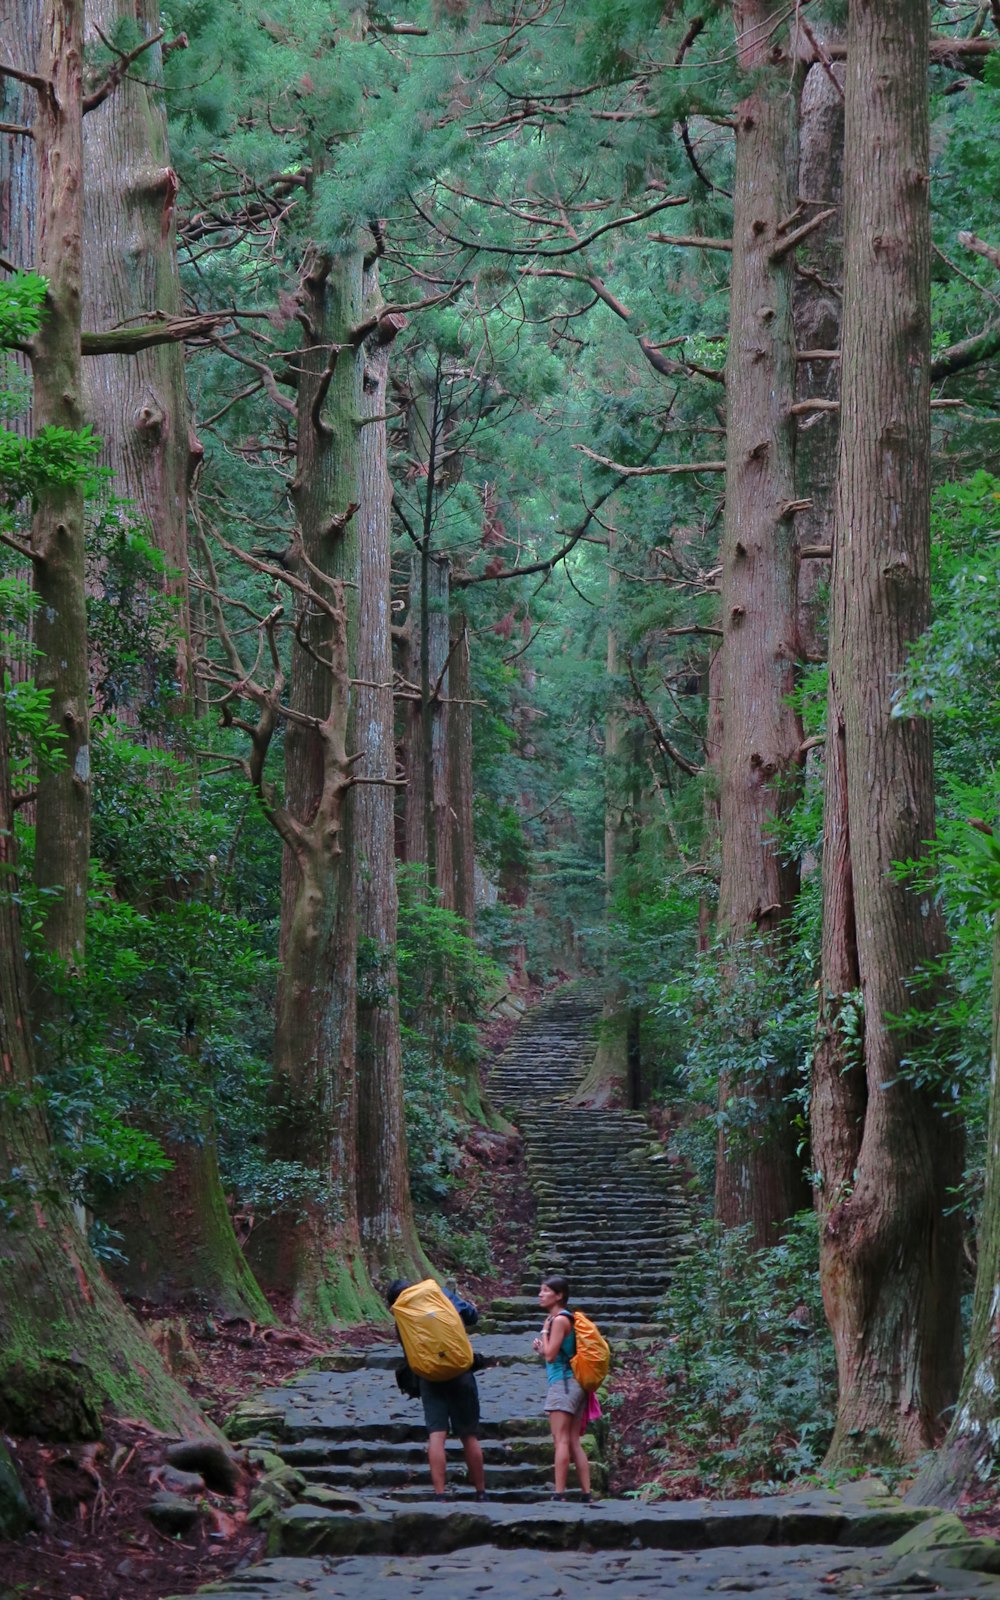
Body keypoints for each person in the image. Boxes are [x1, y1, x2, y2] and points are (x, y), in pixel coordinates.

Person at [385, 1278, 487, 1502]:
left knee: (436, 1435)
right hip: (460, 1371)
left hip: (428, 1376)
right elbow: (471, 1316)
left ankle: (440, 1494)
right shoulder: (439, 1294)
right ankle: (480, 1492)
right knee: (469, 1435)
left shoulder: (401, 1312)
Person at [532, 1274, 592, 1502]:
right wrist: (543, 1347)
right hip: (576, 1384)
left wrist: (545, 1333)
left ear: (559, 1295)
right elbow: (552, 1353)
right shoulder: (567, 1319)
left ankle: (559, 1493)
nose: (540, 1294)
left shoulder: (558, 1321)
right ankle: (586, 1493)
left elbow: (550, 1356)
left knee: (561, 1439)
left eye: (546, 1290)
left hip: (563, 1384)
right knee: (574, 1440)